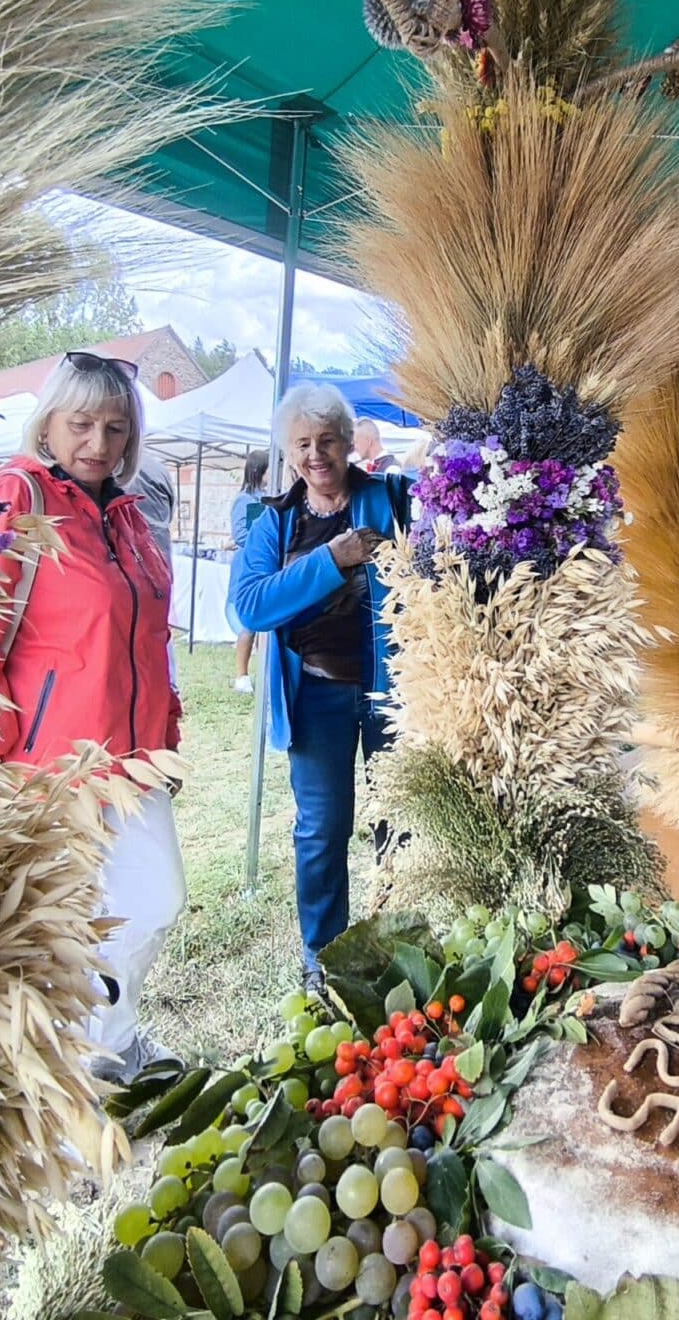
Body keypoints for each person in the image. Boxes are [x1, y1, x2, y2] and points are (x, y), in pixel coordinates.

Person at [0, 351, 185, 1077]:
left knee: (155, 901)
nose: (98, 444)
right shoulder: (15, 495)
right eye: (82, 423)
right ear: (48, 423)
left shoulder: (126, 514)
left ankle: (108, 1038)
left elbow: (150, 638)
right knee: (59, 926)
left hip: (133, 763)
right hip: (49, 766)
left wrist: (167, 736)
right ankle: (65, 1066)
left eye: (116, 428)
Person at [232, 385, 411, 984]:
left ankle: (400, 940)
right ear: (287, 453)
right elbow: (251, 607)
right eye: (303, 444)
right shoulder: (274, 522)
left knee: (402, 822)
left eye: (328, 440)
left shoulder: (390, 499)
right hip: (316, 696)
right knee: (322, 830)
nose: (317, 454)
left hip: (394, 696)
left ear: (348, 443)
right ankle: (326, 958)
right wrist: (333, 559)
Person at [226, 449, 270, 694]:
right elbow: (240, 534)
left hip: (263, 565)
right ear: (258, 471)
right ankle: (241, 676)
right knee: (248, 623)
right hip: (247, 566)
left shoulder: (265, 497)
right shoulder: (244, 500)